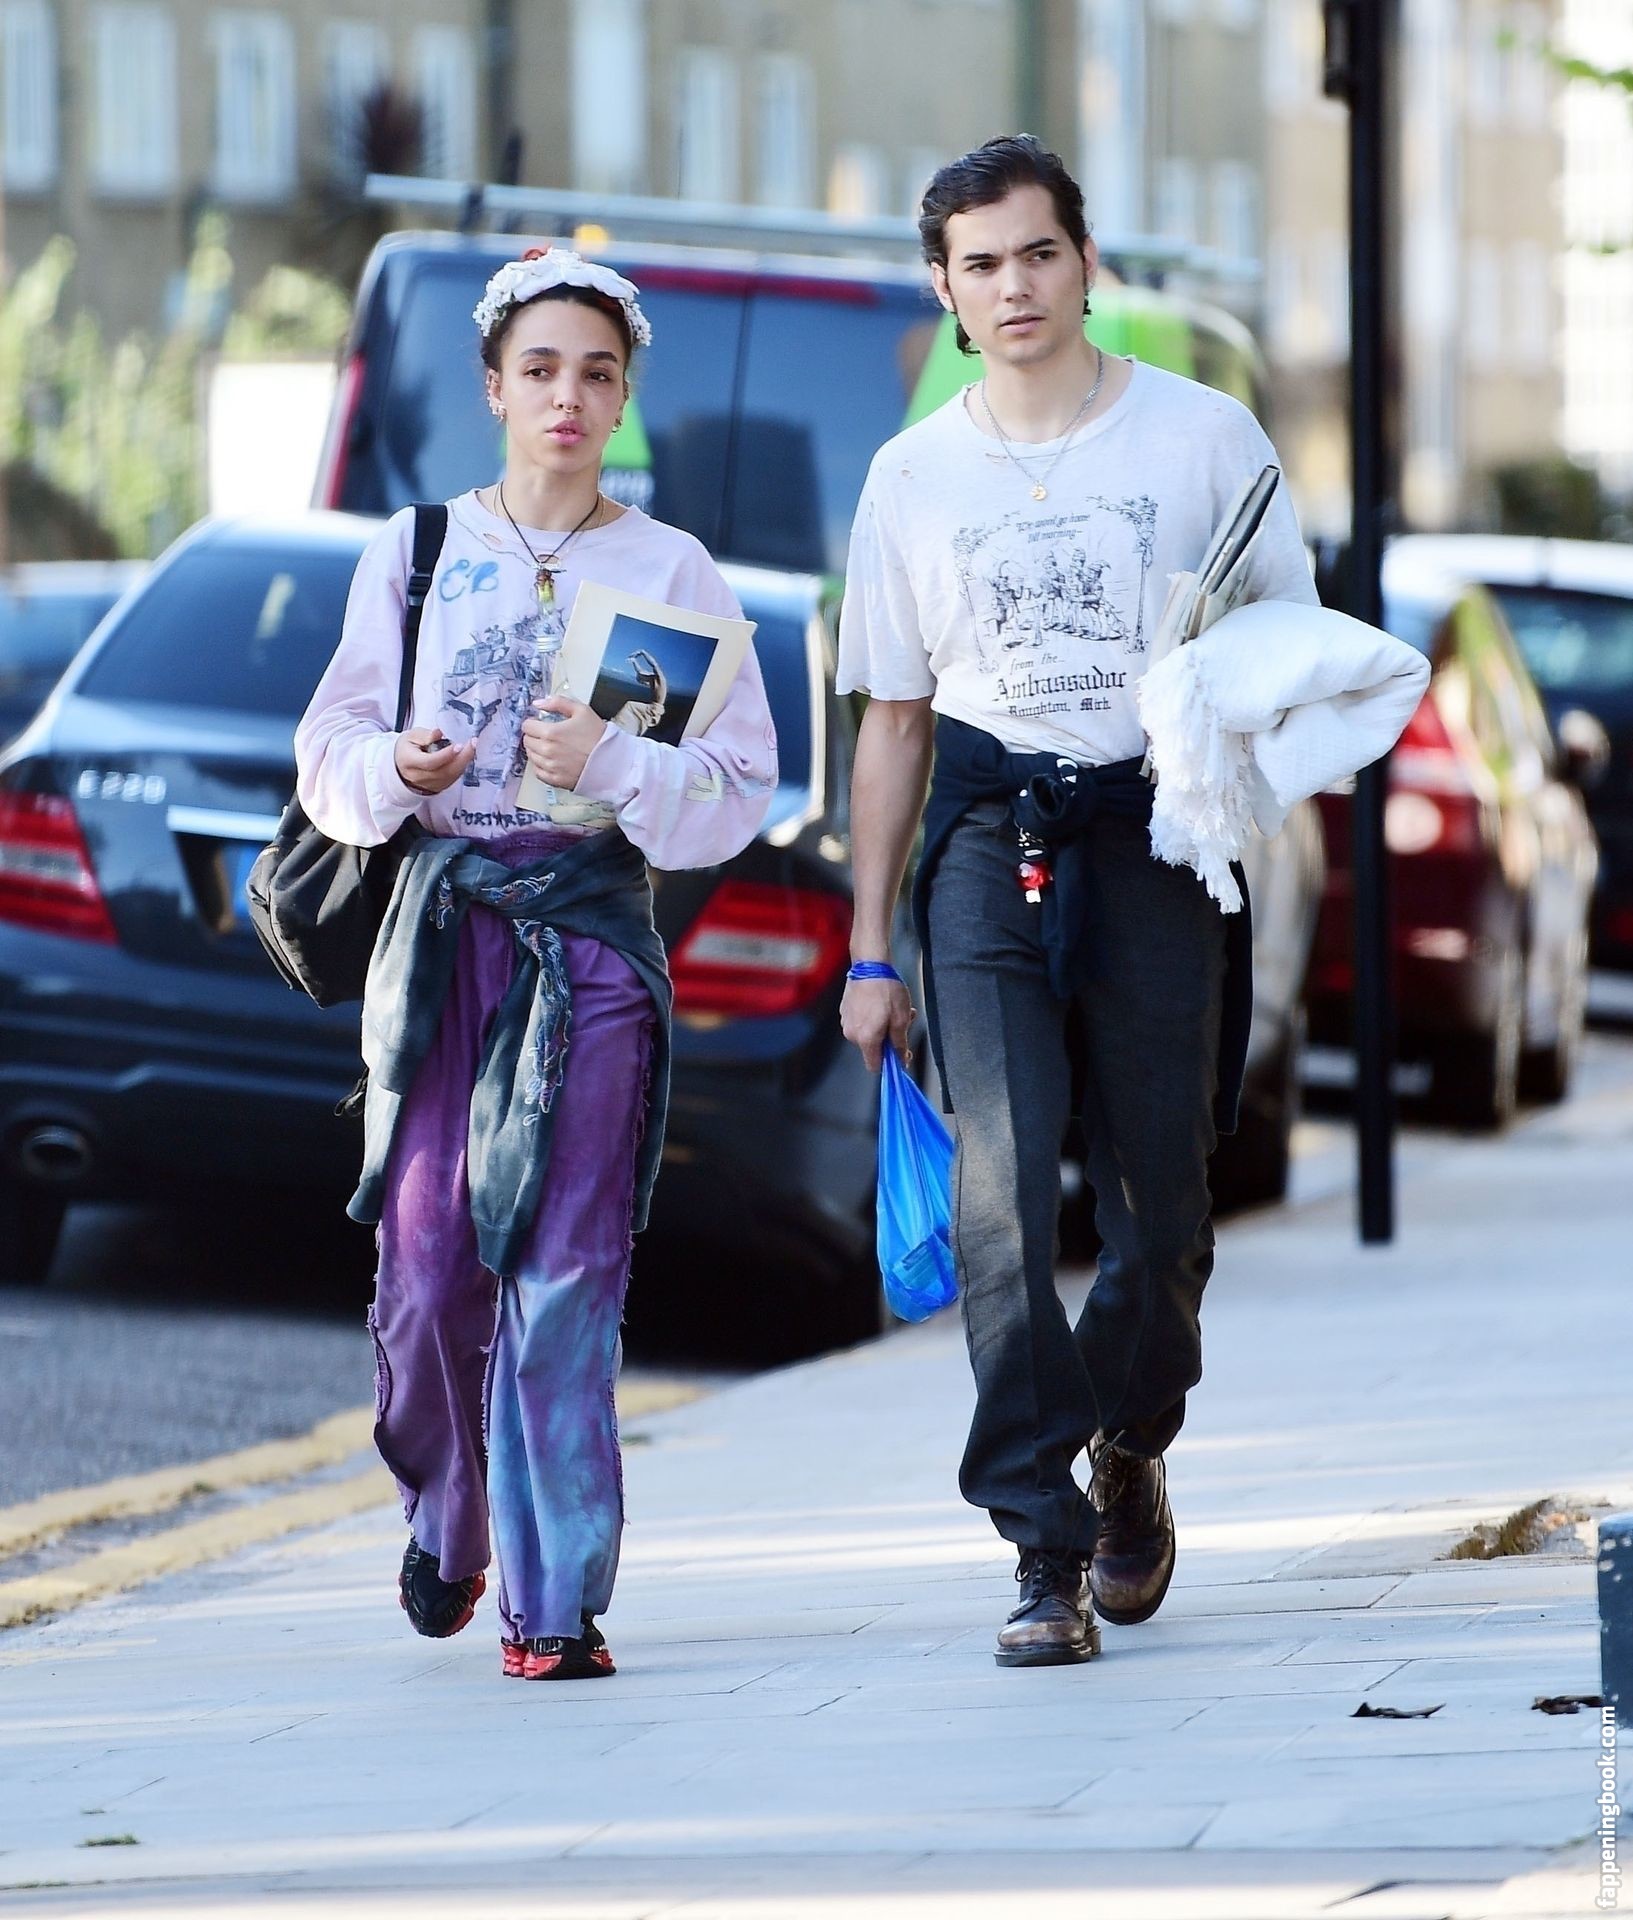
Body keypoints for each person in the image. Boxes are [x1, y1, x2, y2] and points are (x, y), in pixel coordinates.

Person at [836, 136, 1318, 1668]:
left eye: (1036, 253)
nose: (1013, 286)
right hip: (987, 839)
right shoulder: (910, 478)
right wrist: (864, 949)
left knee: (1161, 1212)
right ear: (944, 290)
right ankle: (1040, 1546)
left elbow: (1288, 650)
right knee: (999, 1195)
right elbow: (892, 722)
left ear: (1084, 262)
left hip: (1155, 835)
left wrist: (1227, 732)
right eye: (979, 264)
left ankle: (1127, 1442)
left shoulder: (1202, 437)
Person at [295, 248, 777, 1681]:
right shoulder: (415, 549)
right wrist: (395, 766)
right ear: (495, 388)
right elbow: (325, 754)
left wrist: (617, 761)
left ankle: (554, 1600)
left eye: (598, 374)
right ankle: (449, 1519)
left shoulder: (673, 571)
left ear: (624, 399)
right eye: (542, 369)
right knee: (425, 1262)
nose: (569, 397)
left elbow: (739, 789)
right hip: (444, 943)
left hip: (593, 941)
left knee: (568, 1267)